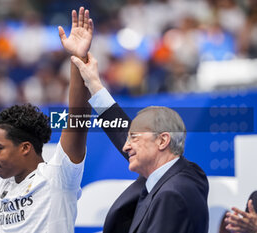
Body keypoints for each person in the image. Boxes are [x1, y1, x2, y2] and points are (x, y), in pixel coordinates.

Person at [0, 7, 93, 232]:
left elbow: (77, 117)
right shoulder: (2, 181)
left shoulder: (58, 176)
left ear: (25, 148)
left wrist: (78, 58)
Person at [70, 52, 209, 233]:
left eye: (134, 137)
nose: (126, 146)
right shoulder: (181, 174)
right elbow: (123, 133)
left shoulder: (172, 194)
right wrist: (93, 83)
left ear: (162, 140)